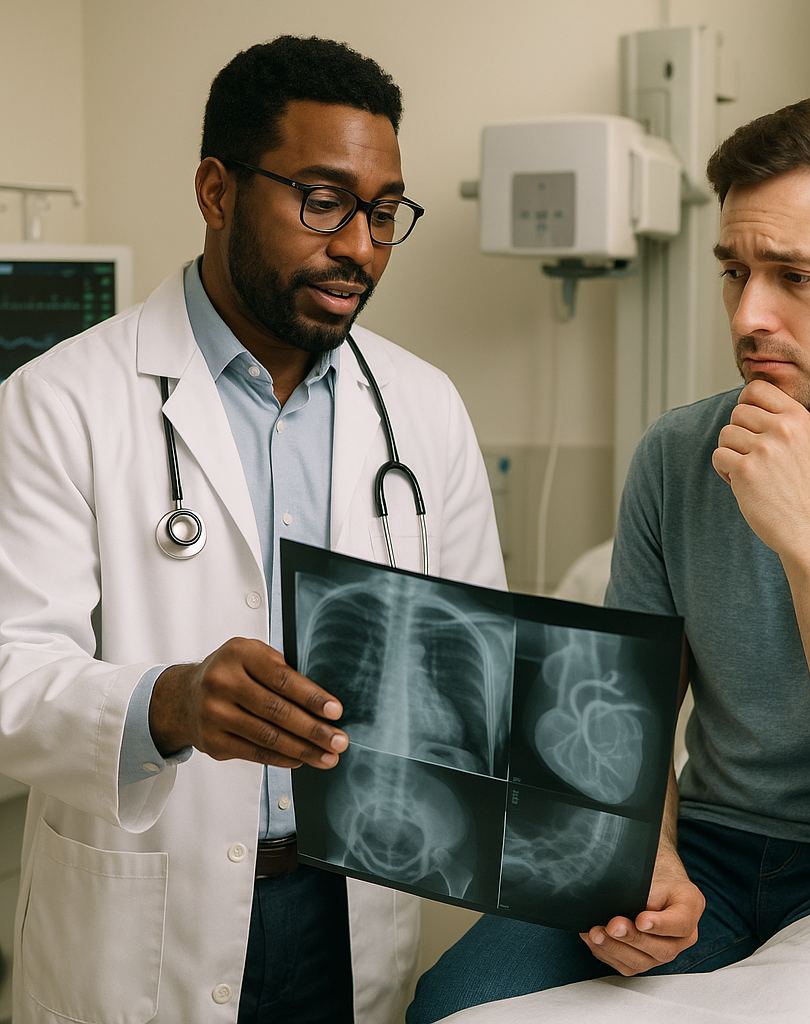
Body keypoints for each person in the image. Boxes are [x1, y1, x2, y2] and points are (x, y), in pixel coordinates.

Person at [407, 93, 810, 1022]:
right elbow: (629, 722)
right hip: (715, 845)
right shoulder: (675, 454)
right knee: (457, 1005)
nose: (749, 315)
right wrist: (646, 861)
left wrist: (809, 531)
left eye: (795, 276)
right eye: (734, 271)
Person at [0, 35, 504, 1024]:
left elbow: (467, 674)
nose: (360, 245)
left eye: (383, 211)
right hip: (146, 919)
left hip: (349, 907)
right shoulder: (59, 402)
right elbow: (8, 675)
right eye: (321, 200)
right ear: (216, 189)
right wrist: (167, 704)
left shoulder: (424, 408)